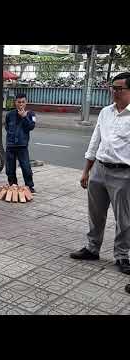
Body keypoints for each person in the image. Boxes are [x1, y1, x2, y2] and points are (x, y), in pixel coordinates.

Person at [70, 72, 130, 276]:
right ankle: (92, 248)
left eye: (119, 88)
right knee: (95, 214)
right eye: (112, 87)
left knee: (124, 219)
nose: (114, 91)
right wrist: (86, 170)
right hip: (99, 171)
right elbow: (95, 142)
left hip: (124, 174)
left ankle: (122, 255)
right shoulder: (105, 112)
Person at [4, 93, 36, 193]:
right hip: (10, 145)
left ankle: (29, 186)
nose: (21, 104)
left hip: (22, 146)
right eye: (19, 102)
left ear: (26, 103)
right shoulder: (9, 114)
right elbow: (7, 127)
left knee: (26, 167)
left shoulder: (31, 114)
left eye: (23, 102)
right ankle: (13, 185)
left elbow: (31, 127)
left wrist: (24, 117)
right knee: (10, 169)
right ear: (15, 102)